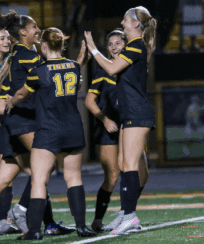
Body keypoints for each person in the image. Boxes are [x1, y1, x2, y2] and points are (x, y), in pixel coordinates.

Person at [0, 11, 76, 239]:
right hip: (23, 122)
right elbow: (47, 74)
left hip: (13, 122)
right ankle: (22, 211)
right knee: (44, 168)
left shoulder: (19, 52)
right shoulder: (26, 54)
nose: (38, 30)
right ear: (23, 31)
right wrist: (75, 65)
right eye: (34, 26)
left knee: (5, 178)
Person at [6, 27, 97, 240]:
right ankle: (82, 227)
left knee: (39, 180)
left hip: (49, 131)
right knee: (74, 178)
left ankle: (35, 230)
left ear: (43, 46)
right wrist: (82, 55)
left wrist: (11, 101)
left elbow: (22, 93)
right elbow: (74, 66)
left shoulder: (39, 70)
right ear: (61, 45)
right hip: (73, 129)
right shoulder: (74, 67)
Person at [84, 6, 156, 235]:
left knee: (129, 166)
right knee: (125, 164)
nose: (122, 22)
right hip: (129, 114)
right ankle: (126, 214)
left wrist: (94, 49)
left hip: (137, 113)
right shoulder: (134, 45)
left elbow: (112, 67)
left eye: (126, 18)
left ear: (136, 24)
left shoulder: (136, 44)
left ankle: (131, 217)